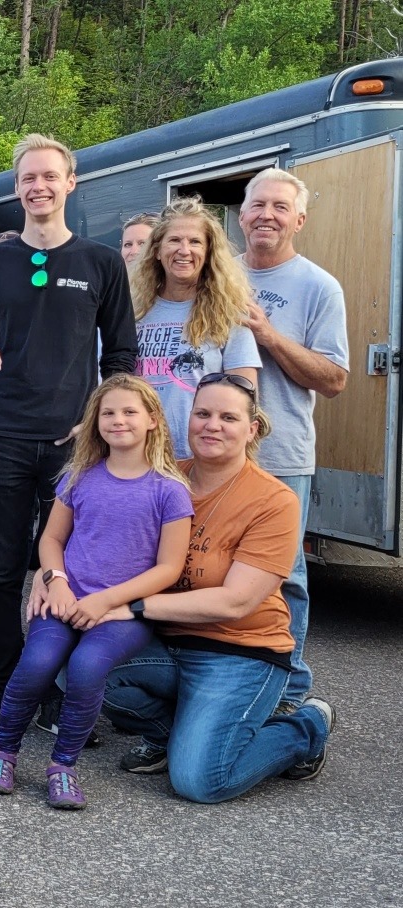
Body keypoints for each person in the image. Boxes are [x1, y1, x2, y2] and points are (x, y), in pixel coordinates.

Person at [0, 134, 139, 742]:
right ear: (17, 188)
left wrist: (98, 417)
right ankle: (4, 689)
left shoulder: (101, 262)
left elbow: (122, 356)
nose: (39, 187)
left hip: (74, 445)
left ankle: (62, 690)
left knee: (75, 569)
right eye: (28, 178)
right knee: (1, 571)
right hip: (4, 436)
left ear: (70, 183)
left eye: (49, 176)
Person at [101, 375, 334, 802]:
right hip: (166, 641)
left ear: (252, 429)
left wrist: (133, 606)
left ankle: (307, 726)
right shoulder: (162, 477)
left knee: (200, 781)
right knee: (77, 667)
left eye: (228, 417)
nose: (212, 425)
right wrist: (51, 576)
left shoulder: (273, 500)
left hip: (238, 651)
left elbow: (235, 601)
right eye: (203, 414)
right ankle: (170, 735)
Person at [0, 375, 191, 809]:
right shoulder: (79, 477)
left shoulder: (170, 490)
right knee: (36, 663)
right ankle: (3, 753)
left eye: (129, 412)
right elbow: (52, 539)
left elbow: (169, 568)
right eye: (108, 412)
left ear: (153, 419)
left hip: (119, 611)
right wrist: (56, 580)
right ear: (95, 421)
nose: (118, 420)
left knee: (87, 667)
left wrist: (108, 601)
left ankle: (63, 765)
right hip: (65, 599)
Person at [236, 167, 349, 709]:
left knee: (285, 576)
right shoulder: (218, 274)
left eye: (280, 207)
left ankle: (288, 688)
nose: (267, 215)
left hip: (281, 455)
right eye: (258, 205)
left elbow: (334, 379)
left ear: (299, 220)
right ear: (241, 215)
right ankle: (220, 682)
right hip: (210, 450)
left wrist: (267, 335)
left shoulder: (319, 286)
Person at [132, 197, 261, 458]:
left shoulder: (229, 315)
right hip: (140, 458)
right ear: (157, 250)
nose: (184, 250)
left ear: (209, 253)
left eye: (195, 242)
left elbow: (245, 398)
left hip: (203, 459)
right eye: (174, 240)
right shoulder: (133, 312)